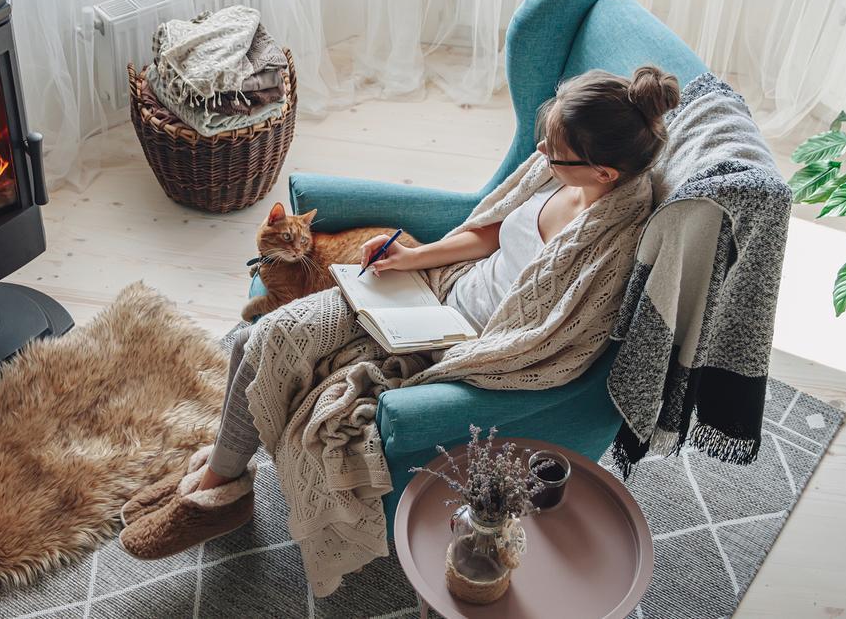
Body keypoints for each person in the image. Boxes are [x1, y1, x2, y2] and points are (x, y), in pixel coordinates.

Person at [119, 65, 681, 574]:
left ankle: (215, 488)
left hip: (452, 341)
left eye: (554, 149)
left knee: (263, 339)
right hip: (430, 295)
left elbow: (551, 344)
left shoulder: (612, 243)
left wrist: (453, 349)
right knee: (254, 336)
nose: (541, 152)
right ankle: (225, 483)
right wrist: (410, 259)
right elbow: (488, 229)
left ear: (602, 172)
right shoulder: (560, 174)